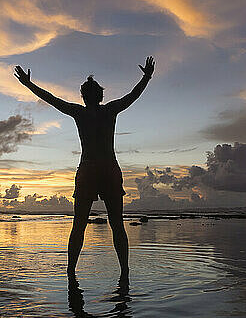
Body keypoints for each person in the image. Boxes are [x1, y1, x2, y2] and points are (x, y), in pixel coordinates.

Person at [14, 56, 155, 282]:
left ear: (83, 97)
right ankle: (124, 273)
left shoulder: (79, 112)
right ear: (100, 96)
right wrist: (146, 77)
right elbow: (133, 96)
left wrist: (29, 84)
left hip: (89, 169)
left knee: (78, 225)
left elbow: (51, 99)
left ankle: (71, 272)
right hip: (108, 168)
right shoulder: (109, 110)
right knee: (117, 225)